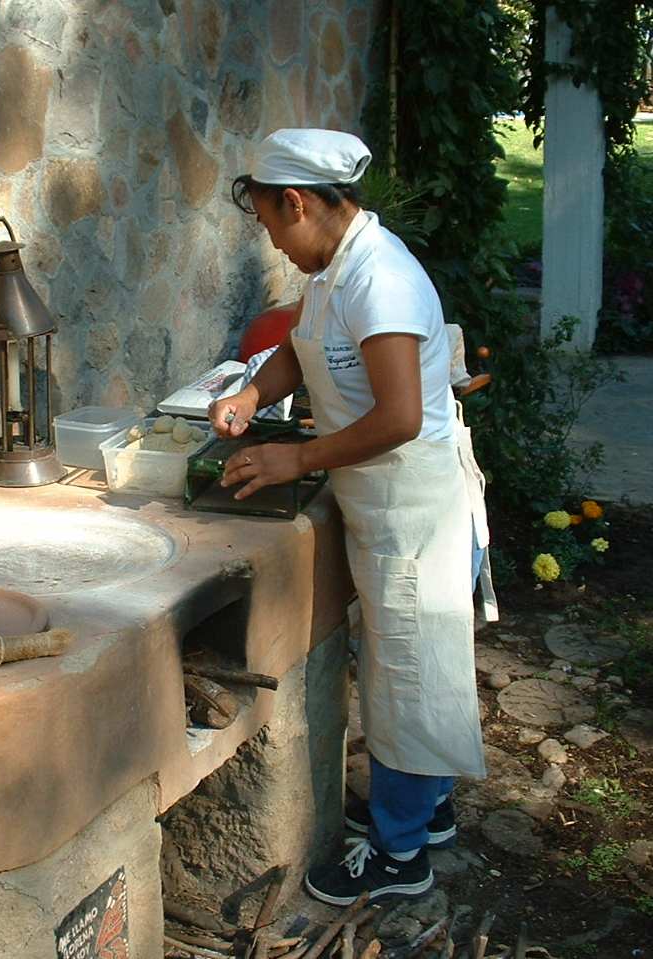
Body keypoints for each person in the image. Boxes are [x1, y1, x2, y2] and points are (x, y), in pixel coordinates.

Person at [208, 128, 492, 906]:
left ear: (297, 203)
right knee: (409, 667)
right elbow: (301, 348)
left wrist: (295, 459)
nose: (275, 242)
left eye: (272, 224)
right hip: (381, 503)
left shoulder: (382, 281)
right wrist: (250, 394)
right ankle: (424, 810)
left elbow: (400, 414)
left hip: (415, 507)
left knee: (406, 675)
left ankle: (400, 857)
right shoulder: (336, 267)